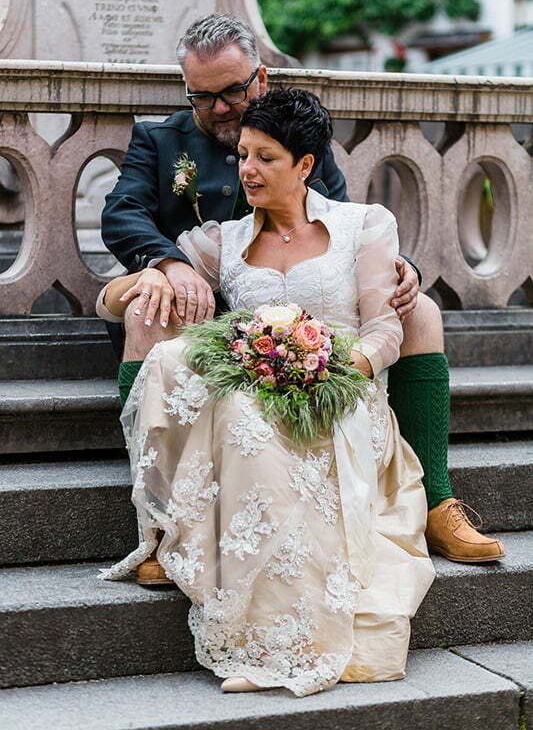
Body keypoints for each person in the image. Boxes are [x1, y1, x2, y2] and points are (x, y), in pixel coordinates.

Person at [100, 13, 504, 565]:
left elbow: (338, 220)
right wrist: (168, 264)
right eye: (203, 97)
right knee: (147, 315)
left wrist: (393, 266)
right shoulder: (158, 138)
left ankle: (436, 501)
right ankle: (163, 524)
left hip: (295, 321)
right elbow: (122, 217)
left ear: (260, 79)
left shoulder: (297, 134)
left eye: (232, 92)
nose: (219, 109)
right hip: (192, 302)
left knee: (421, 312)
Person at [97, 88, 436, 696]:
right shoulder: (220, 239)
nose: (247, 170)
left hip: (341, 396)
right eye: (245, 155)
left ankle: (290, 640)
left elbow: (386, 331)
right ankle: (245, 617)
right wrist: (154, 271)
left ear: (306, 165)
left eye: (266, 159)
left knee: (245, 415)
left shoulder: (364, 225)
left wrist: (330, 369)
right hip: (256, 394)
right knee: (197, 372)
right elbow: (109, 299)